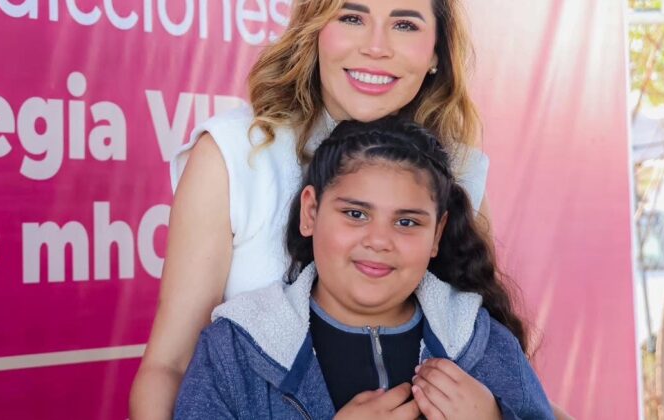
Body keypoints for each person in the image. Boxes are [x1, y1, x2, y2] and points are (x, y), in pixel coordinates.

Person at [130, 1, 492, 418]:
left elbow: (499, 353)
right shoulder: (233, 155)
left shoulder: (459, 171)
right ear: (314, 30)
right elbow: (170, 366)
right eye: (352, 18)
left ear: (435, 53)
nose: (376, 47)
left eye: (405, 25)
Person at [173, 117, 555, 419]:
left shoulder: (482, 342)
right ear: (310, 212)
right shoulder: (233, 350)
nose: (379, 240)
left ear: (437, 234)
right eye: (355, 214)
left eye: (406, 222)